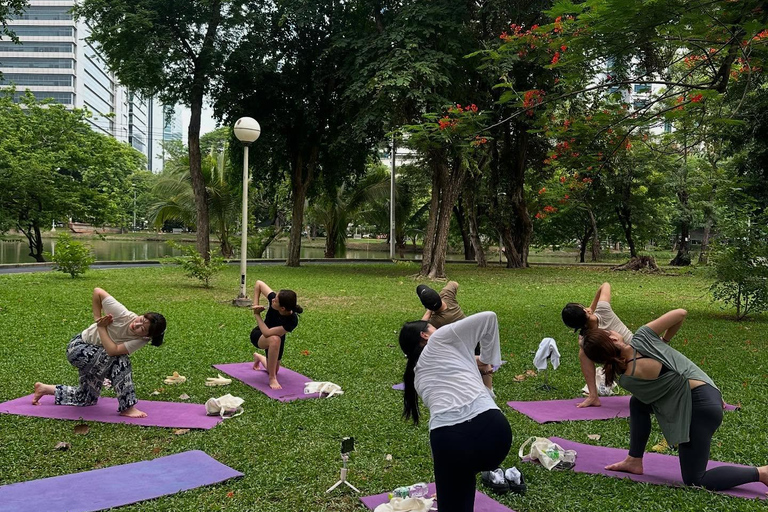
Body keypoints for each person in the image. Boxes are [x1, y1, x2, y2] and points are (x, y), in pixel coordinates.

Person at [581, 309, 768, 492]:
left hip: (701, 408)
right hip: (706, 400)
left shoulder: (625, 379)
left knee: (695, 478)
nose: (613, 331)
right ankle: (634, 460)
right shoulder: (643, 337)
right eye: (610, 332)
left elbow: (664, 401)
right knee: (637, 404)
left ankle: (761, 473)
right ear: (613, 339)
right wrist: (664, 341)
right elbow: (680, 313)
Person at [399, 312, 512, 512]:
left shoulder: (417, 376)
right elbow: (489, 317)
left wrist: (482, 368)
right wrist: (487, 358)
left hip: (448, 443)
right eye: (432, 326)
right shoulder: (440, 339)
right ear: (425, 335)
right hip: (494, 435)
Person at [32, 287, 166, 418]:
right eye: (141, 320)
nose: (136, 325)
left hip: (100, 357)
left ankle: (45, 389)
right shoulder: (122, 314)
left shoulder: (141, 340)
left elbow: (113, 350)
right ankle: (128, 407)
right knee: (121, 360)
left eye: (142, 329)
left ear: (147, 336)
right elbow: (98, 292)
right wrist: (98, 319)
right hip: (78, 348)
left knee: (86, 398)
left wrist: (101, 328)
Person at [562, 282, 633, 407]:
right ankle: (593, 396)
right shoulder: (603, 310)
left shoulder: (585, 338)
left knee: (583, 352)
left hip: (625, 364)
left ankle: (593, 396)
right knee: (583, 351)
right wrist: (592, 308)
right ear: (585, 310)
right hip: (635, 355)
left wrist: (589, 311)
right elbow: (605, 285)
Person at [417, 282, 494, 392]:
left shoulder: (436, 321)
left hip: (462, 345)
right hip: (474, 338)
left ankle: (485, 389)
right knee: (481, 363)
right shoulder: (448, 297)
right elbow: (454, 283)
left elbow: (419, 327)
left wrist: (429, 310)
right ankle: (487, 388)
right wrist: (441, 295)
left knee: (477, 367)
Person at [250, 279, 303, 390]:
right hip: (259, 335)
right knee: (275, 339)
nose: (272, 299)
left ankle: (259, 357)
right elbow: (259, 283)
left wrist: (257, 315)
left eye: (275, 300)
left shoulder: (292, 321)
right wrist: (255, 305)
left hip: (273, 338)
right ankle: (272, 378)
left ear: (282, 308)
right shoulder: (275, 301)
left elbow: (268, 332)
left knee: (273, 367)